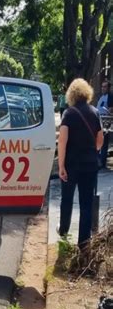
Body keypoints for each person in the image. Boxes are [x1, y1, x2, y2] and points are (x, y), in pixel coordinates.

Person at [58, 78, 104, 250]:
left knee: (67, 200)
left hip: (71, 165)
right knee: (86, 204)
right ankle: (84, 244)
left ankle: (63, 233)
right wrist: (92, 151)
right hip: (90, 165)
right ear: (87, 93)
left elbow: (62, 141)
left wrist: (61, 165)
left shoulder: (69, 114)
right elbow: (100, 140)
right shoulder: (95, 112)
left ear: (71, 94)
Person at [97, 80, 112, 168]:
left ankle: (102, 162)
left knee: (103, 142)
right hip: (99, 120)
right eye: (102, 86)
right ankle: (98, 160)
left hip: (105, 122)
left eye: (105, 87)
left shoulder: (110, 97)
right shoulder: (101, 96)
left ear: (109, 88)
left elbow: (110, 110)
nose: (103, 88)